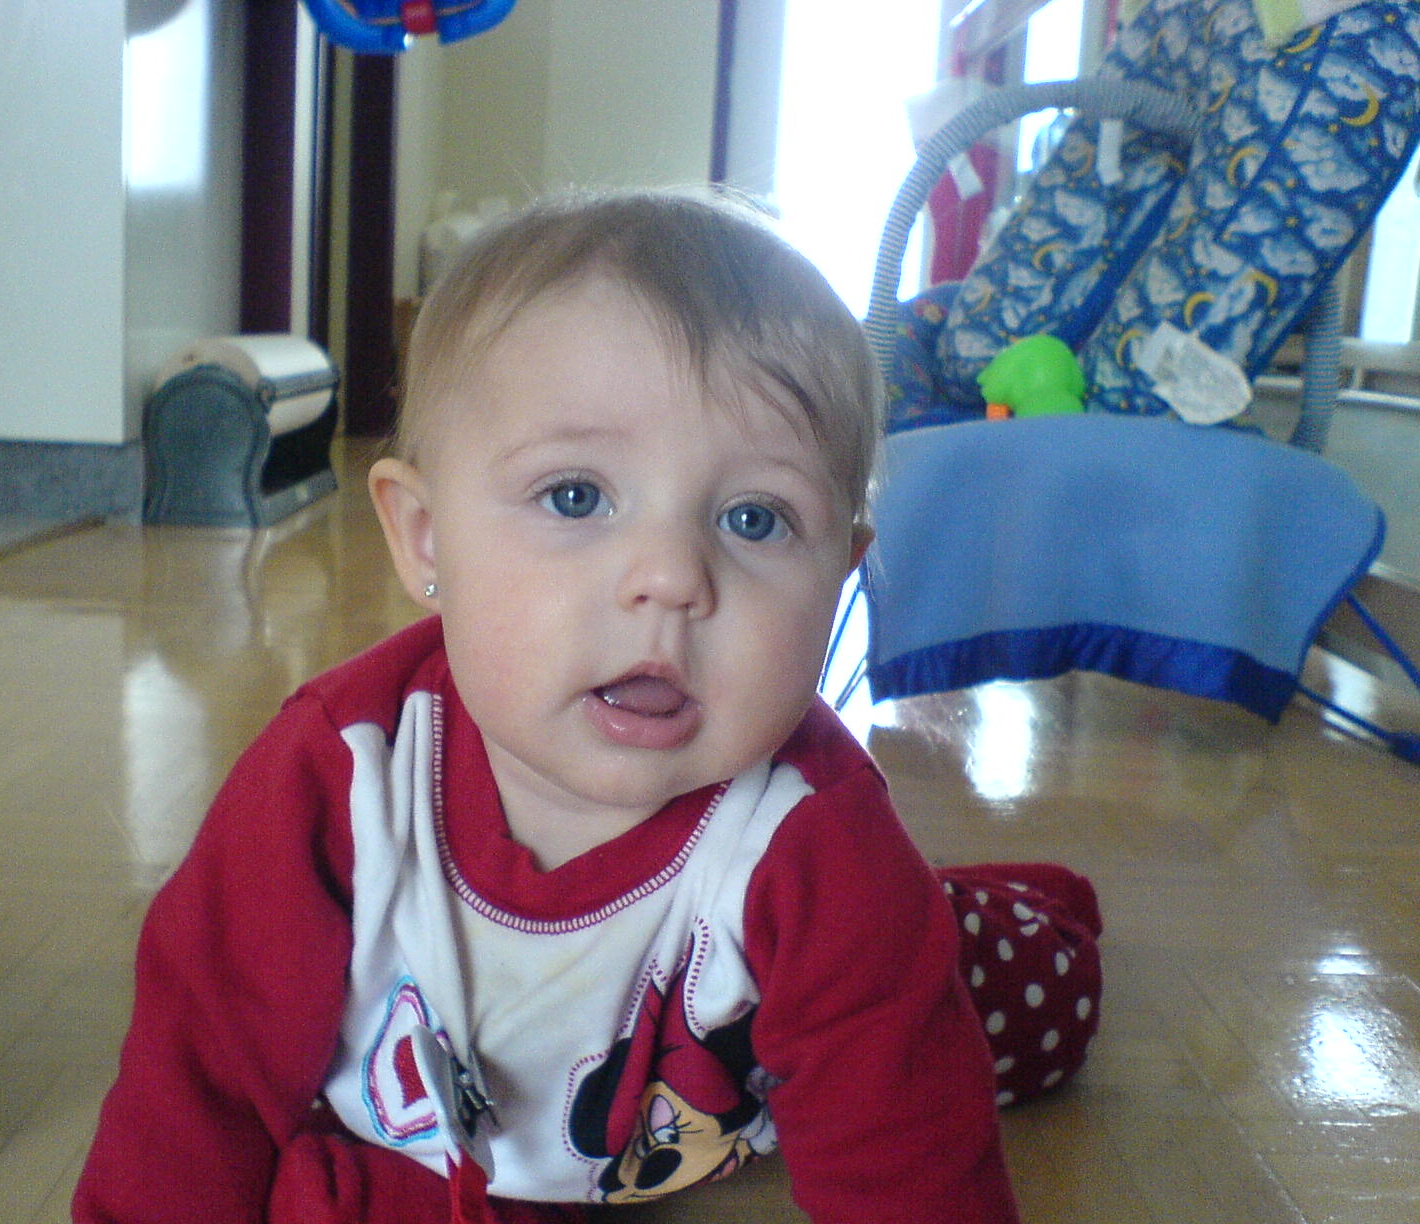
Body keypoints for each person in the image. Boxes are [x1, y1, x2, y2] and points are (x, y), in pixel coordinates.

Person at [75, 189, 1099, 1224]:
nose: (670, 577)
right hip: (502, 1140)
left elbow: (912, 1165)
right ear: (427, 538)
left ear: (840, 572)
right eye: (576, 496)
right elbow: (195, 1073)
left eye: (755, 519)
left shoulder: (816, 843)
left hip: (814, 1014)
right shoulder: (341, 774)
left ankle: (998, 924)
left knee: (1000, 995)